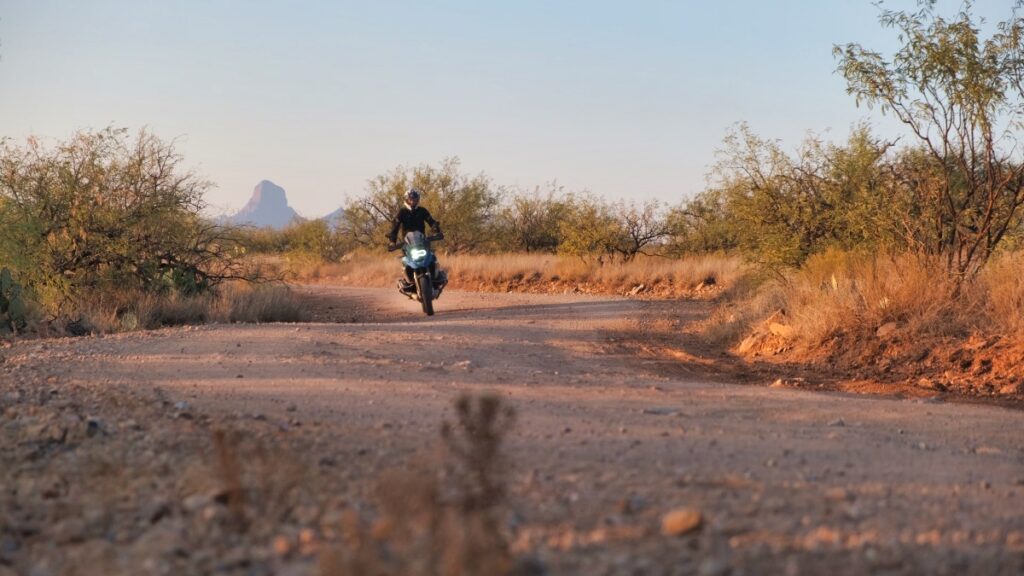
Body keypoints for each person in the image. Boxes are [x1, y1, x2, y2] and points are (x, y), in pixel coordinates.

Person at [388, 188, 445, 293]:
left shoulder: (422, 210)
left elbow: (431, 221)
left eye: (415, 198)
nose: (413, 201)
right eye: (411, 199)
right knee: (405, 260)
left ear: (418, 199)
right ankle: (407, 281)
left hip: (421, 240)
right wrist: (392, 241)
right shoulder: (402, 212)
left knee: (432, 256)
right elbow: (395, 227)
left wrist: (436, 230)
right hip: (407, 242)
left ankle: (437, 276)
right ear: (407, 199)